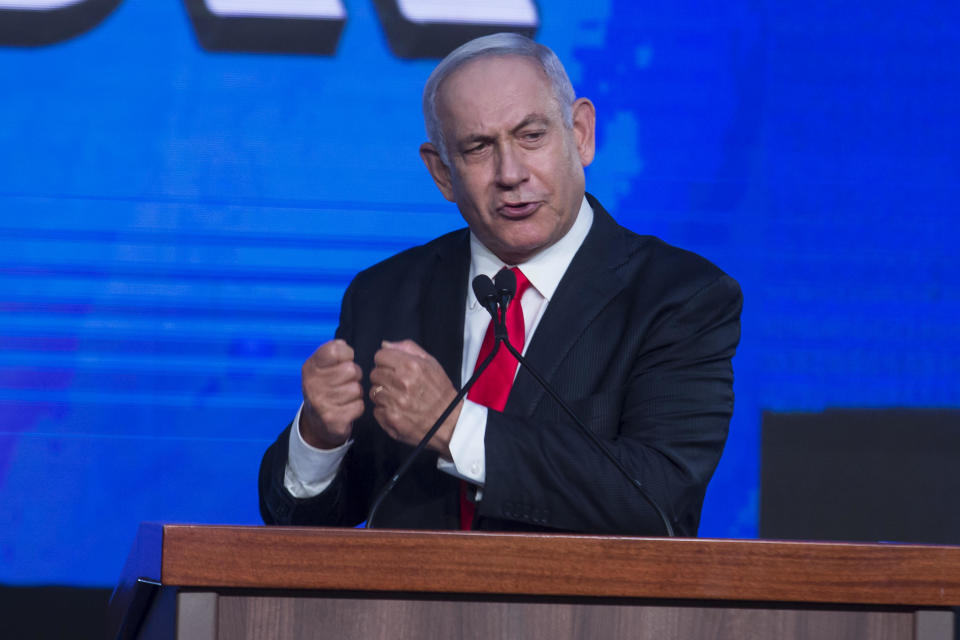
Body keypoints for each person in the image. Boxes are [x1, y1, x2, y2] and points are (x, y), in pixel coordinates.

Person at [258, 33, 742, 536]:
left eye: (531, 136)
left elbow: (661, 501)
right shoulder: (385, 294)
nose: (511, 173)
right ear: (442, 173)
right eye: (478, 148)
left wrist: (454, 428)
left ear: (580, 134)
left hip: (584, 615)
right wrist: (319, 437)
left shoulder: (680, 297)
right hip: (405, 613)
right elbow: (302, 527)